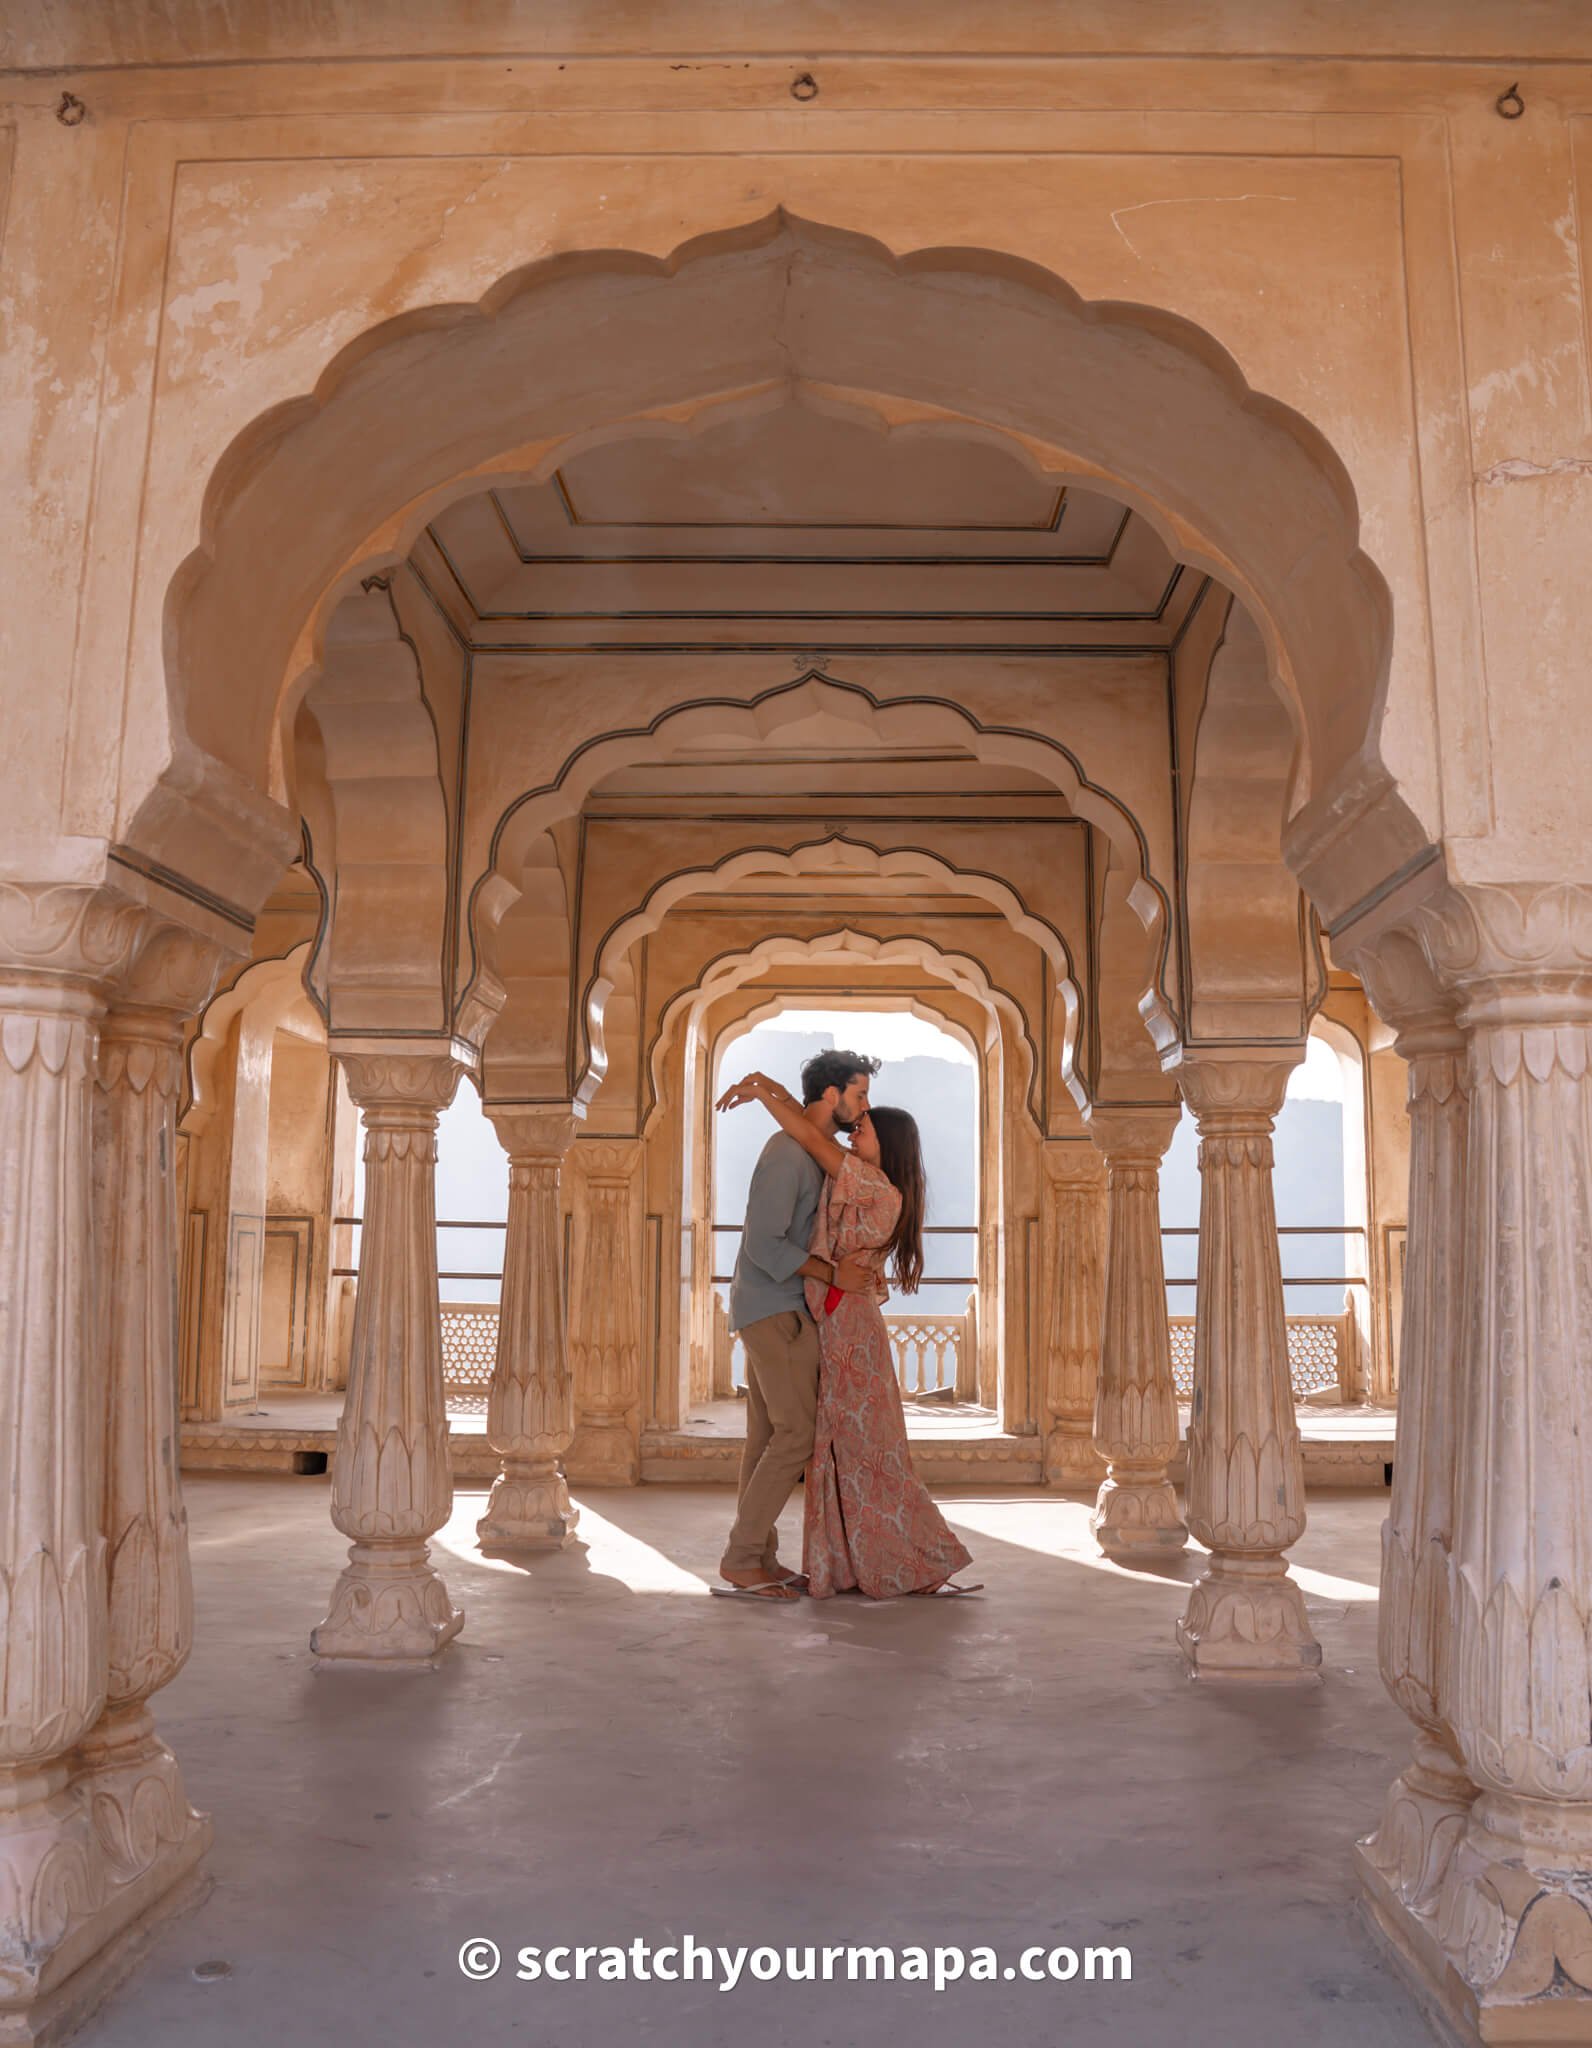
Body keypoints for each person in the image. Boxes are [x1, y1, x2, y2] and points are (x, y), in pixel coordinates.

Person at [715, 1070, 979, 1600]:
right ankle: (759, 1559)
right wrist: (767, 1087)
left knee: (865, 1453)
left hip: (846, 1329)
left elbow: (812, 1131)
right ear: (834, 1095)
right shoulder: (844, 1169)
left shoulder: (875, 1188)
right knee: (825, 1446)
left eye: (867, 1124)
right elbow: (811, 1122)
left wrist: (762, 1092)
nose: (857, 1125)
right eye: (858, 1106)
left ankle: (895, 1560)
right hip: (817, 1319)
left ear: (890, 1144)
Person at [713, 1050, 881, 1602]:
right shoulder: (789, 1155)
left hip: (773, 1305)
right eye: (858, 1095)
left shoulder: (808, 1148)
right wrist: (835, 1274)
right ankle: (741, 1558)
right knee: (797, 1436)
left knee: (767, 1437)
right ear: (830, 1096)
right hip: (775, 1306)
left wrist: (762, 1085)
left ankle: (758, 1557)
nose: (863, 1107)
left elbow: (789, 1107)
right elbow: (764, 1244)